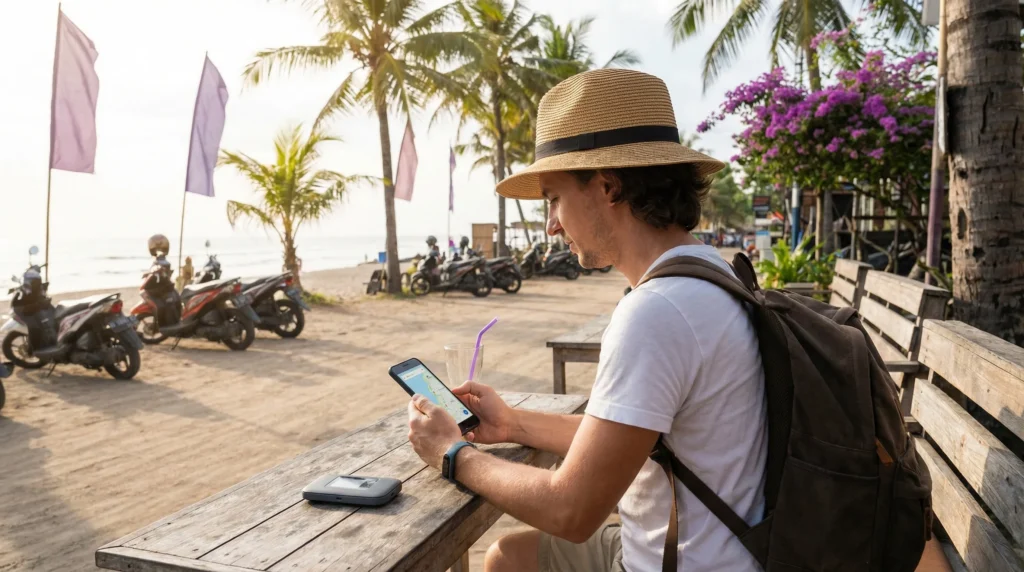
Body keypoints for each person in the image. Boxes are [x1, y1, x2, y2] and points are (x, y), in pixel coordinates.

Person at [406, 68, 766, 572]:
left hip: (680, 563)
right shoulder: (711, 274)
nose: (551, 223)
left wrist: (451, 453)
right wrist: (512, 423)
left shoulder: (656, 312)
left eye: (554, 198)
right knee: (508, 557)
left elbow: (571, 509)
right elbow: (623, 435)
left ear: (608, 186)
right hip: (732, 550)